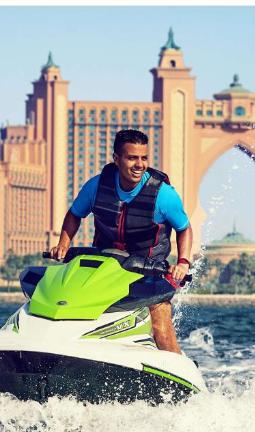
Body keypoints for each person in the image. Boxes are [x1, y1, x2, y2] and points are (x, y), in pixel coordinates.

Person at [50, 129, 193, 354]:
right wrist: (63, 243)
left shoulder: (163, 195)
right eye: (132, 157)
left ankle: (181, 377)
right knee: (71, 304)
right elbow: (75, 214)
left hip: (148, 270)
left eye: (144, 158)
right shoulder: (96, 186)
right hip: (105, 264)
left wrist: (183, 262)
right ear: (116, 159)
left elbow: (184, 229)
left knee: (160, 327)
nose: (139, 164)